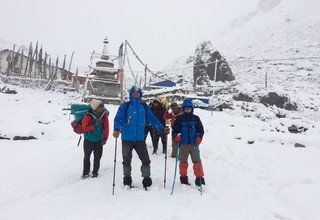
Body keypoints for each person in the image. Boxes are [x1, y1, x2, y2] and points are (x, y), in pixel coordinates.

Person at [113, 86, 169, 188]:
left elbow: (152, 119)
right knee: (126, 160)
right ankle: (127, 179)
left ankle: (146, 179)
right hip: (126, 138)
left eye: (137, 92)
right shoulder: (125, 106)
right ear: (130, 94)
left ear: (140, 94)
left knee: (146, 160)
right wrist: (116, 129)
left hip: (140, 139)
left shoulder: (144, 107)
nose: (136, 93)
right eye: (134, 92)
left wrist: (161, 128)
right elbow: (118, 119)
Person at [172, 98, 205, 186]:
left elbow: (201, 130)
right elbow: (174, 131)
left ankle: (199, 178)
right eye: (186, 108)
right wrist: (176, 137)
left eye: (189, 108)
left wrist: (199, 137)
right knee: (183, 162)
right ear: (183, 109)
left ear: (192, 108)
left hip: (194, 144)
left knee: (197, 161)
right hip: (183, 144)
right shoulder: (179, 118)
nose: (187, 110)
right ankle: (183, 178)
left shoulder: (196, 118)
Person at [81, 99, 109, 179]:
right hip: (88, 140)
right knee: (87, 157)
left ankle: (95, 172)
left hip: (99, 140)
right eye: (100, 107)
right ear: (94, 107)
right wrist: (94, 125)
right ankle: (85, 172)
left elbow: (106, 127)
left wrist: (105, 138)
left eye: (102, 106)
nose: (102, 108)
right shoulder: (87, 115)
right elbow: (84, 128)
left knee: (97, 157)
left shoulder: (103, 115)